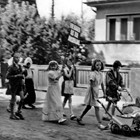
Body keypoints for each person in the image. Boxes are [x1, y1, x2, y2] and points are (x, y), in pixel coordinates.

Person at [77, 59, 107, 130]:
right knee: (97, 107)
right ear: (94, 66)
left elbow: (102, 84)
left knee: (89, 106)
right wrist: (93, 94)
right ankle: (99, 123)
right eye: (97, 65)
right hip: (91, 90)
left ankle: (80, 117)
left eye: (100, 65)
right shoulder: (93, 73)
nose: (98, 66)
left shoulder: (101, 74)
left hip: (96, 90)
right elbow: (91, 84)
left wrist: (104, 93)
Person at [6, 52, 25, 120]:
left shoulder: (20, 66)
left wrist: (22, 77)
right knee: (13, 99)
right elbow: (7, 76)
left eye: (19, 57)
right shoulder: (11, 67)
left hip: (19, 84)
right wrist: (16, 76)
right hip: (13, 84)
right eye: (16, 57)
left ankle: (18, 111)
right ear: (14, 58)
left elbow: (22, 74)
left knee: (22, 98)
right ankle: (12, 114)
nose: (18, 59)